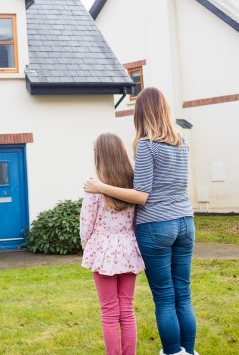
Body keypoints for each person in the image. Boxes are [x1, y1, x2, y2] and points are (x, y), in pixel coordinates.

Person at [84, 87, 198, 355]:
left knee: (165, 297)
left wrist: (101, 186)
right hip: (185, 222)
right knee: (183, 293)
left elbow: (141, 195)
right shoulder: (182, 141)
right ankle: (189, 352)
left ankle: (172, 352)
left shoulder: (147, 145)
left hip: (157, 227)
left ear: (142, 113)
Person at [80, 133, 145, 355]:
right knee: (126, 309)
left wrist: (87, 247)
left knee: (109, 311)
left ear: (101, 155)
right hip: (128, 249)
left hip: (103, 251)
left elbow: (86, 225)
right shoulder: (132, 185)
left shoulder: (94, 187)